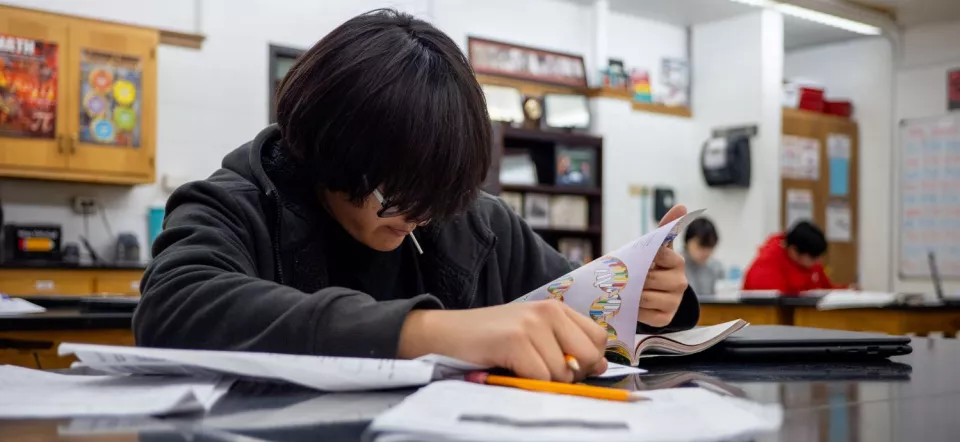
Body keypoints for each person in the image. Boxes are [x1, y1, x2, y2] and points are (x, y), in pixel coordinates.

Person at [133, 9, 699, 382]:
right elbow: (173, 307)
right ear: (334, 150)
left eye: (440, 193)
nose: (420, 216)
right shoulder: (233, 205)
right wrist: (429, 333)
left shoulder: (473, 223)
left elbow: (577, 307)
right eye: (397, 193)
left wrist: (649, 297)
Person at [742, 221, 840, 294]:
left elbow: (827, 289)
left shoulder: (810, 262)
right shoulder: (766, 269)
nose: (818, 261)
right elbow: (771, 308)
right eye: (813, 257)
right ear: (794, 250)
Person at [682, 217, 723, 296]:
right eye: (701, 246)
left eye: (710, 247)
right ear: (688, 241)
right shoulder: (675, 266)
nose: (706, 252)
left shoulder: (716, 269)